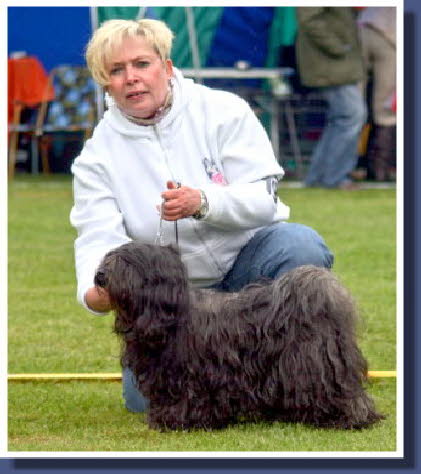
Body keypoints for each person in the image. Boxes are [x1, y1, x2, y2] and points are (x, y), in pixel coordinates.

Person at [70, 18, 334, 413]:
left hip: (249, 269)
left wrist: (204, 202)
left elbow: (264, 199)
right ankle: (255, 384)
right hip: (173, 302)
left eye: (142, 64)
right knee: (144, 402)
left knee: (299, 245)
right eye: (117, 71)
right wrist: (96, 292)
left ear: (167, 65)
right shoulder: (96, 158)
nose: (132, 79)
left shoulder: (224, 111)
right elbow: (97, 239)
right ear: (105, 82)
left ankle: (302, 371)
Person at [295, 7, 367, 189]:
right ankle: (334, 177)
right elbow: (308, 18)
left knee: (341, 119)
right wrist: (338, 46)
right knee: (351, 116)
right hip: (331, 63)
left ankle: (319, 177)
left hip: (335, 63)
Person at [358, 7, 396, 181]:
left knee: (354, 107)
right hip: (391, 34)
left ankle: (346, 168)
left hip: (362, 27)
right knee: (386, 110)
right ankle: (379, 170)